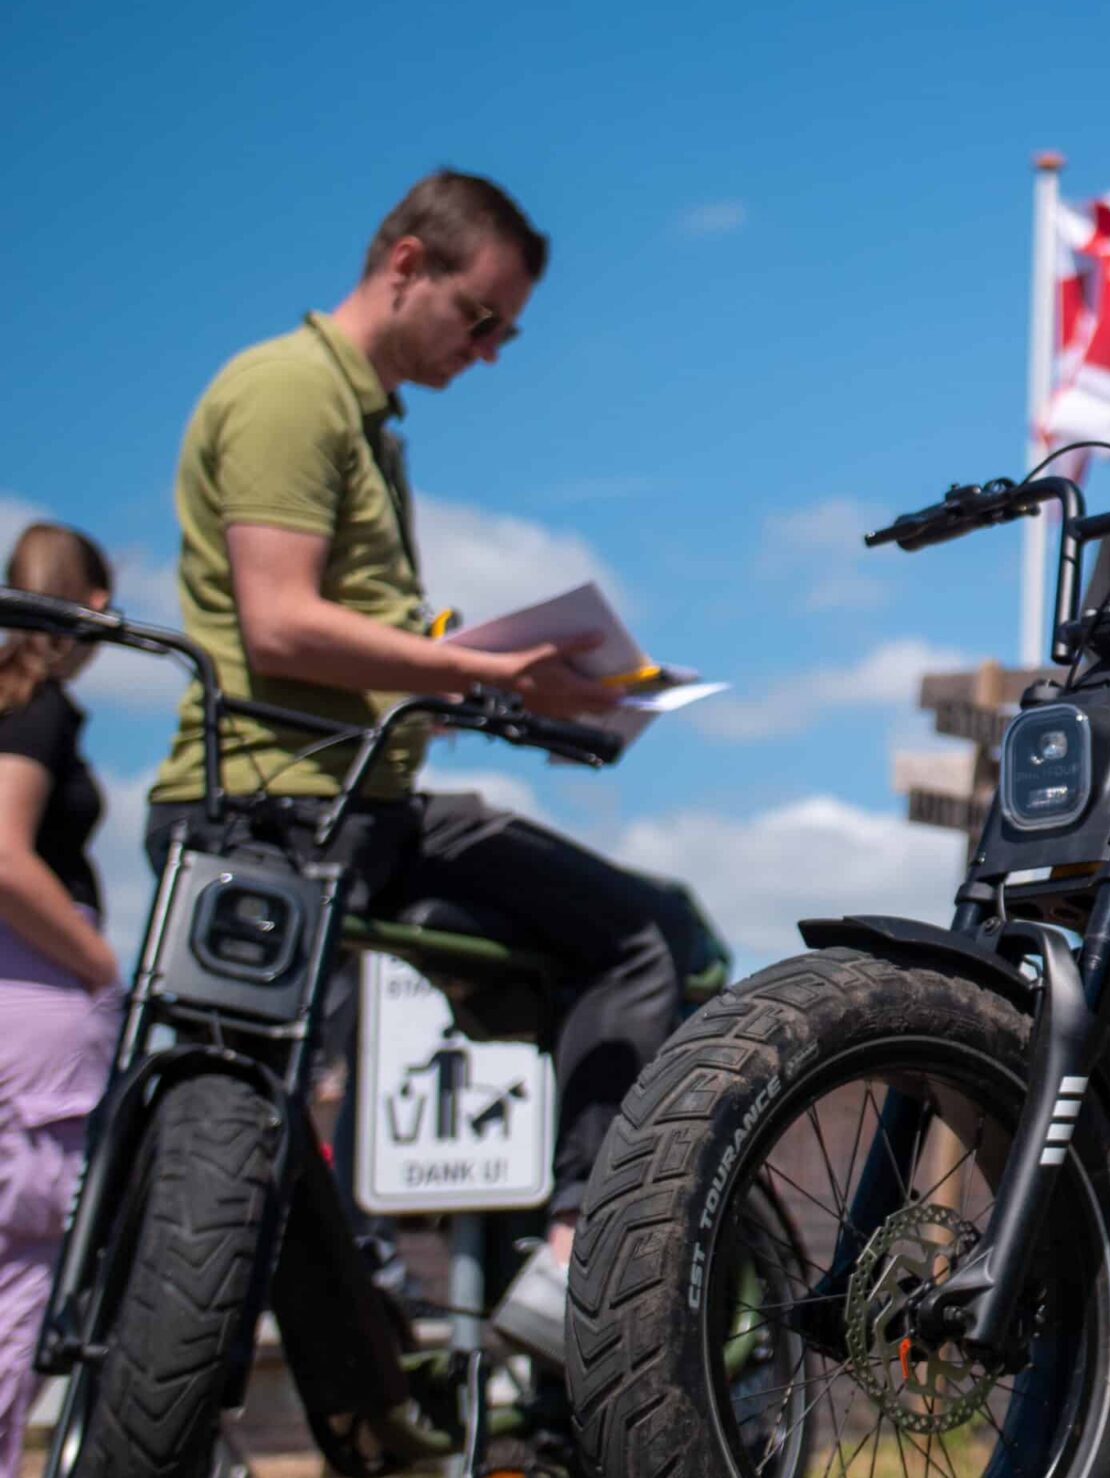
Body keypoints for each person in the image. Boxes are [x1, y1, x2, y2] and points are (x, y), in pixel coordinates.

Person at [143, 171, 715, 1348]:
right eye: (482, 316)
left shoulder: (363, 420)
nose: (493, 351)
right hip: (277, 801)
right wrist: (490, 672)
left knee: (638, 932)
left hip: (363, 795)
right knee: (636, 940)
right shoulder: (290, 391)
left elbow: (337, 646)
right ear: (406, 264)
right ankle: (563, 1265)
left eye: (507, 329)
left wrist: (504, 689)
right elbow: (278, 622)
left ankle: (546, 1265)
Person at [0, 524, 120, 1478]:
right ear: (85, 604)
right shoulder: (38, 712)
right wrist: (99, 965)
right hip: (37, 998)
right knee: (18, 1281)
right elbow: (4, 855)